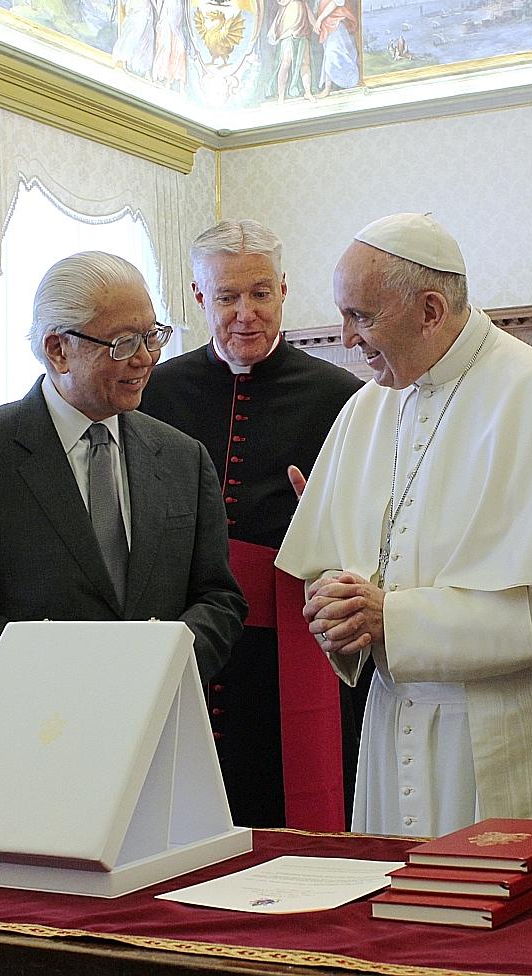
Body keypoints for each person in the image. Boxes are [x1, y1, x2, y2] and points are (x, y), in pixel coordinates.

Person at [276, 212, 532, 837]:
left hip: (513, 728)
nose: (346, 338)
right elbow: (335, 576)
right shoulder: (365, 411)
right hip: (394, 719)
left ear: (429, 310)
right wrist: (337, 607)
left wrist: (392, 619)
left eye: (361, 316)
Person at [0, 251, 246, 733]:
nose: (145, 358)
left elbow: (219, 598)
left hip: (156, 728)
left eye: (152, 336)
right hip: (24, 731)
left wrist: (164, 662)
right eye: (124, 343)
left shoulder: (183, 457)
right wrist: (52, 664)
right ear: (58, 349)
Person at [138, 220, 363, 831]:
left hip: (292, 636)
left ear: (283, 289)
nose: (246, 313)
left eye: (261, 293)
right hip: (184, 627)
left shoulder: (342, 397)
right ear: (198, 296)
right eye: (228, 297)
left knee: (285, 799)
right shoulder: (155, 392)